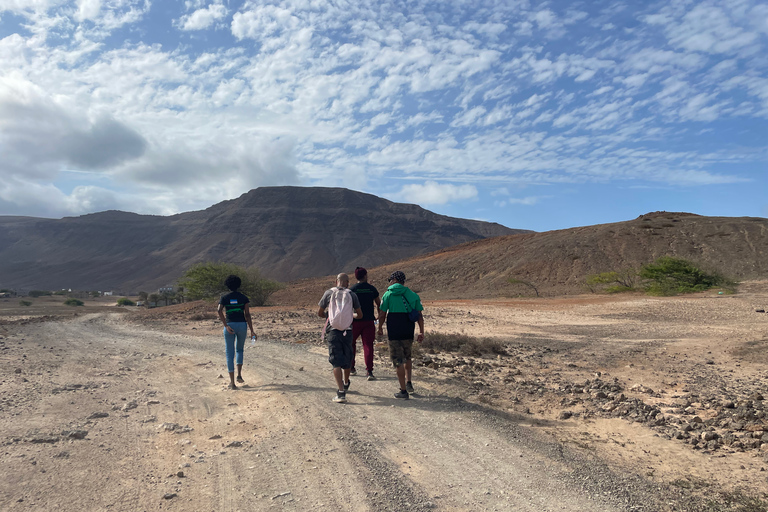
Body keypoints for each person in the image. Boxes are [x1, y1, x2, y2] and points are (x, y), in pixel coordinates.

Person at [377, 270, 424, 399]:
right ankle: (409, 383)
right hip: (408, 329)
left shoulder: (388, 294)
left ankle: (403, 391)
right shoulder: (412, 295)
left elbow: (382, 314)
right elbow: (419, 315)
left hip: (394, 330)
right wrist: (421, 331)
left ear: (394, 280)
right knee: (407, 356)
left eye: (390, 280)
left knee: (398, 360)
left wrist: (380, 327)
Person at [318, 273, 363, 403]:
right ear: (348, 282)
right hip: (347, 331)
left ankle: (341, 392)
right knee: (347, 358)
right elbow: (360, 315)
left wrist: (330, 316)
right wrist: (350, 316)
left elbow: (319, 312)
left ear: (336, 281)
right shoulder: (352, 295)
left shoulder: (328, 293)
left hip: (333, 331)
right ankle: (346, 381)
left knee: (336, 362)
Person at [217, 275, 256, 390]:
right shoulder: (244, 298)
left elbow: (219, 310)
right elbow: (247, 315)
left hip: (230, 326)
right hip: (242, 325)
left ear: (227, 285)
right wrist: (252, 331)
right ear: (239, 284)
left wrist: (225, 325)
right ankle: (239, 375)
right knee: (240, 349)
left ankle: (232, 383)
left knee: (229, 353)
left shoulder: (224, 298)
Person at [349, 267, 381, 380]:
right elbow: (379, 303)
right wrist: (378, 316)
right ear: (365, 275)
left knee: (351, 343)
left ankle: (351, 367)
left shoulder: (352, 289)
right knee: (368, 345)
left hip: (355, 321)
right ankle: (369, 371)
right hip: (368, 321)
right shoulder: (371, 289)